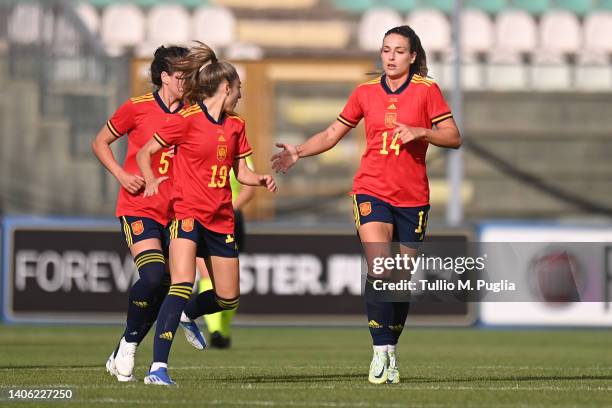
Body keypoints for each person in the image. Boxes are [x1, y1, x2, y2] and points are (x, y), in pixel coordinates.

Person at [271, 25, 461, 384]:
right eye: (385, 50)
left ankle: (390, 350)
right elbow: (331, 134)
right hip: (371, 190)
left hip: (413, 197)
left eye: (398, 51)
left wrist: (422, 132)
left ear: (413, 56)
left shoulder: (427, 91)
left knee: (401, 281)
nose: (390, 57)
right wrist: (299, 151)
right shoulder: (364, 92)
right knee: (380, 267)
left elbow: (454, 136)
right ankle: (378, 352)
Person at [136, 42, 277, 386]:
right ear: (226, 87)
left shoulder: (236, 126)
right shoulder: (186, 120)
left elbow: (241, 172)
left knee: (228, 297)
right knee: (181, 283)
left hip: (221, 220)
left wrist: (258, 179)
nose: (241, 95)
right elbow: (145, 151)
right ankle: (157, 368)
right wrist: (152, 178)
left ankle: (188, 314)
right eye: (238, 89)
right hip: (186, 214)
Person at [92, 45, 206, 383]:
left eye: (190, 75)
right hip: (139, 207)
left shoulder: (194, 112)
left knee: (171, 288)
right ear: (164, 77)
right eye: (181, 75)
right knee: (154, 276)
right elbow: (100, 142)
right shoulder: (137, 108)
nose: (187, 81)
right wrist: (122, 175)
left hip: (178, 212)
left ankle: (126, 347)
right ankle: (128, 343)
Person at [197, 156, 256, 349]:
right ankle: (216, 330)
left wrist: (230, 208)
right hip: (202, 216)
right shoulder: (199, 146)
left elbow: (249, 188)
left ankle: (221, 329)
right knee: (206, 273)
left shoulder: (240, 151)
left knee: (229, 283)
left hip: (230, 218)